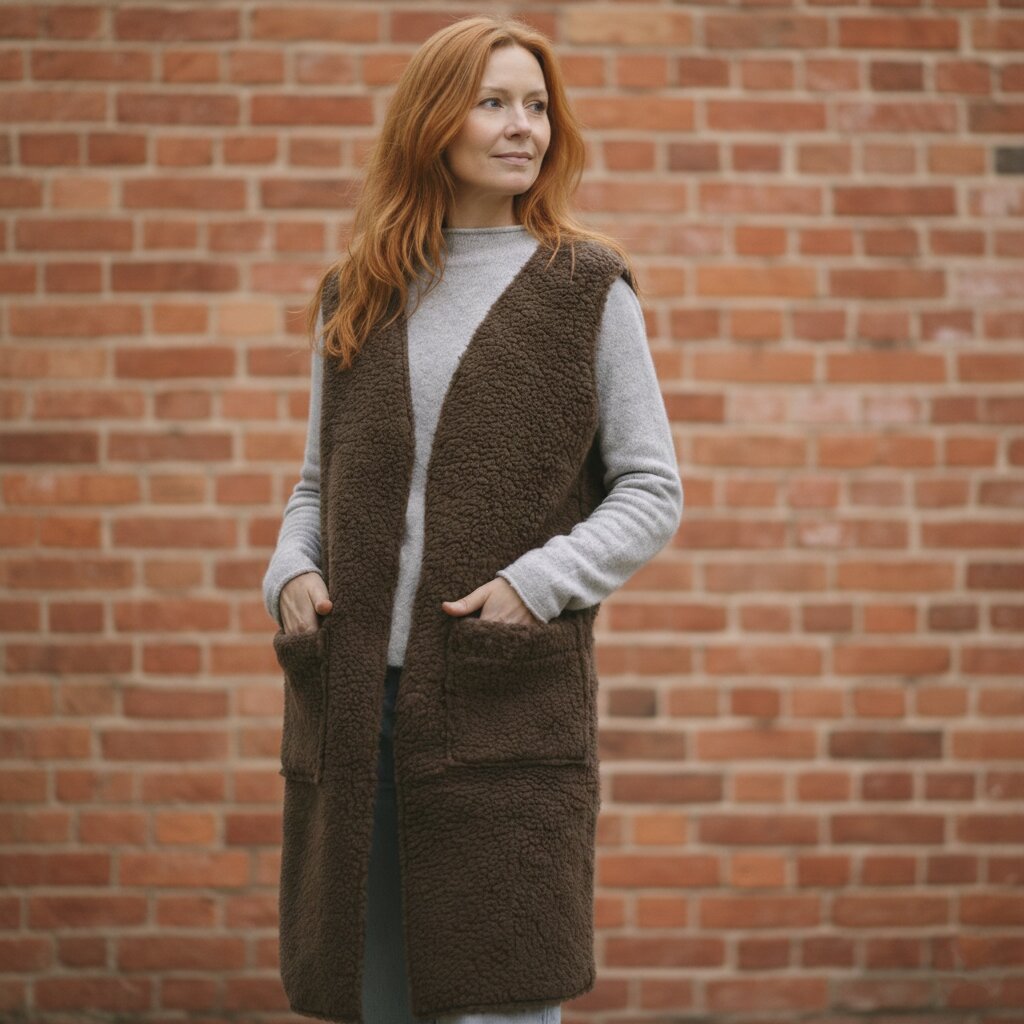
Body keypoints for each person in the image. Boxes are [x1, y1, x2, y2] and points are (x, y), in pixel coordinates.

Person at [262, 15, 683, 1024]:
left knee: (500, 997)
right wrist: (288, 572)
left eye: (536, 106)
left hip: (502, 700)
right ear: (432, 122)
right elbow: (316, 485)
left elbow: (650, 489)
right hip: (353, 708)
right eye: (493, 102)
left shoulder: (587, 290)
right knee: (373, 994)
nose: (522, 126)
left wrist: (535, 585)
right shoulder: (359, 292)